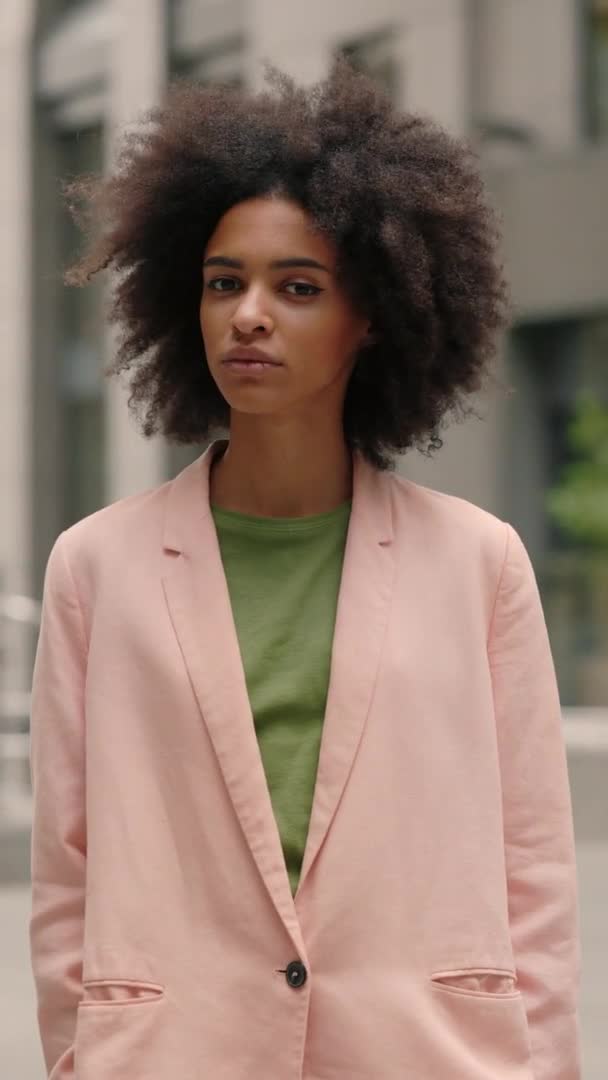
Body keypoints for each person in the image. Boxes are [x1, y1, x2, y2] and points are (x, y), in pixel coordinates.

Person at [28, 57, 581, 1079]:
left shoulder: (479, 563)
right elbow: (66, 865)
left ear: (369, 320)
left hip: (424, 1055)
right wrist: (82, 1052)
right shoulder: (94, 565)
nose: (248, 314)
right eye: (223, 282)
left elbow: (533, 871)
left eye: (296, 287)